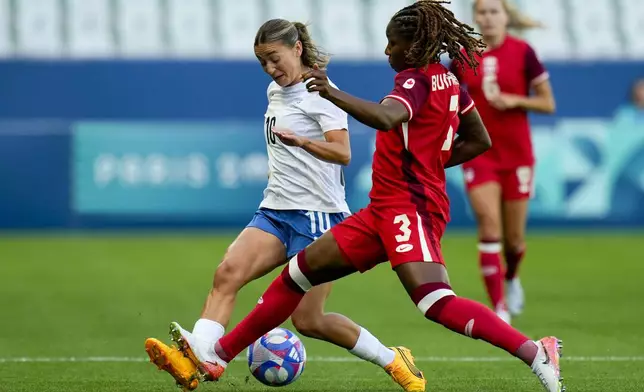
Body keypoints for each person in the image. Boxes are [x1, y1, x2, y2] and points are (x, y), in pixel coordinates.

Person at [152, 2, 564, 392]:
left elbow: (387, 116)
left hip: (409, 208)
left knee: (435, 301)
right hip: (381, 210)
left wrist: (332, 93)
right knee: (295, 276)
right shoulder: (451, 81)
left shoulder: (414, 80)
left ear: (414, 47)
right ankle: (218, 356)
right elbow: (479, 139)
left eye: (393, 44)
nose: (387, 51)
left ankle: (534, 351)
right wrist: (430, 163)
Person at [144, 19, 425, 392]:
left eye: (274, 59)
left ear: (296, 49)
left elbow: (343, 153)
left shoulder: (322, 94)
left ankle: (393, 359)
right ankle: (198, 359)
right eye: (262, 62)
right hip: (276, 210)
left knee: (309, 321)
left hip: (319, 217)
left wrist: (302, 143)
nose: (270, 69)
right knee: (227, 273)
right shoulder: (274, 92)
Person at [450, 0, 556, 322]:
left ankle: (511, 277)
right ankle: (499, 308)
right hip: (478, 153)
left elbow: (548, 103)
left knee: (514, 240)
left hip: (516, 155)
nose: (488, 17)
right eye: (482, 12)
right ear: (475, 17)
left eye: (494, 11)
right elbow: (448, 100)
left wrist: (515, 100)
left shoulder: (523, 51)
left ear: (505, 17)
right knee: (488, 223)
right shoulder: (462, 56)